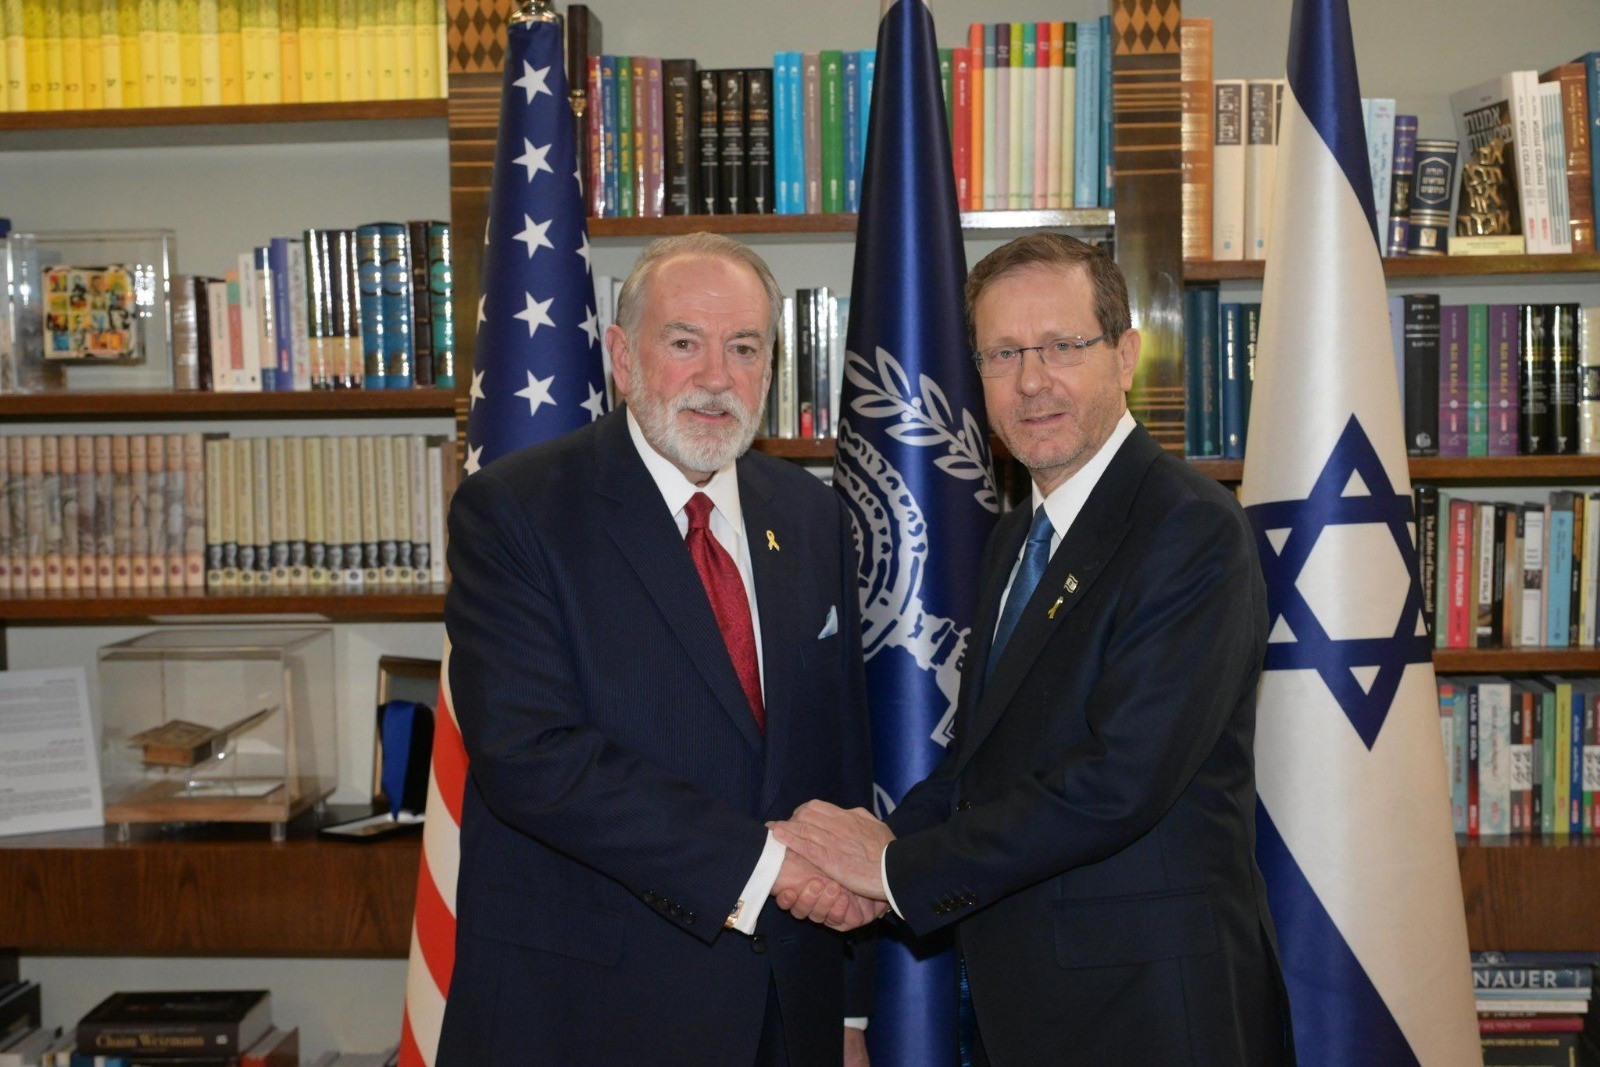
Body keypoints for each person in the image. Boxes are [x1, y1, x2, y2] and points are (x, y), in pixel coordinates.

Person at [774, 233, 1292, 1064]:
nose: (1031, 381)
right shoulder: (1018, 536)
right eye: (1004, 353)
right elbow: (980, 766)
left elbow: (1118, 782)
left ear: (1125, 355)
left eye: (1061, 346)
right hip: (1030, 1001)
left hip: (1153, 1010)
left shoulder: (1189, 526)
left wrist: (895, 869)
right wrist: (861, 852)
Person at [439, 233, 879, 1066]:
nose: (716, 377)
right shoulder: (517, 512)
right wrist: (764, 866)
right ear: (621, 357)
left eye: (744, 347)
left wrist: (849, 1010)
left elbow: (839, 755)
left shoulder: (812, 515)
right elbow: (532, 756)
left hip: (790, 1007)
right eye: (684, 342)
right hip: (590, 1013)